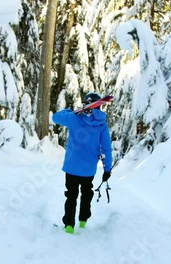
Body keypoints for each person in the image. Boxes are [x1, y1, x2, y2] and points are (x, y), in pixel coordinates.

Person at [52, 92, 113, 234]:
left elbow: (55, 117)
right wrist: (107, 169)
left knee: (71, 195)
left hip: (72, 167)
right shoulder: (102, 125)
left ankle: (69, 226)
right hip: (88, 170)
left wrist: (68, 111)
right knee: (86, 194)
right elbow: (106, 149)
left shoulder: (73, 118)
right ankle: (83, 221)